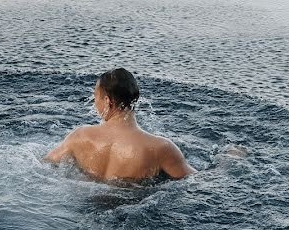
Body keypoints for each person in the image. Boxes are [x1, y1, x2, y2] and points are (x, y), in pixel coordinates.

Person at [44, 68, 195, 181]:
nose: (94, 102)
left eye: (95, 96)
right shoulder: (160, 148)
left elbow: (45, 164)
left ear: (108, 101)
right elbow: (196, 181)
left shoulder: (80, 136)